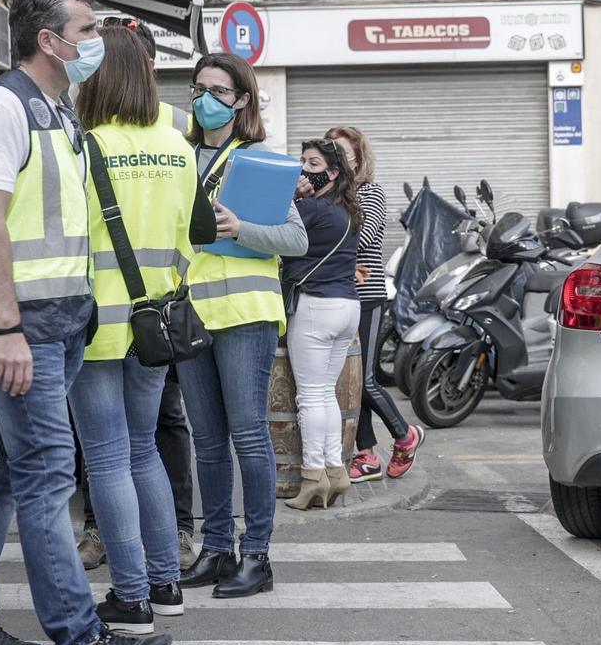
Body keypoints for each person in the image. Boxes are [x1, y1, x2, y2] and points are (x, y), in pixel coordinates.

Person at [0, 0, 170, 645]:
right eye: (88, 28)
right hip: (25, 327)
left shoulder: (58, 112)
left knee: (4, 473)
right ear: (49, 39)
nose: (96, 40)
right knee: (46, 478)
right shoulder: (2, 107)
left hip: (63, 322)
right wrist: (4, 326)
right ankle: (79, 641)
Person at [72, 26, 217, 634]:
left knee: (106, 459)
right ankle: (166, 583)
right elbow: (195, 235)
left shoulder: (87, 146)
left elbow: (71, 240)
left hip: (98, 324)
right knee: (142, 451)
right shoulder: (178, 144)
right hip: (157, 321)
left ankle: (130, 597)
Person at [176, 53, 308, 597]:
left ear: (243, 101)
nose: (206, 99)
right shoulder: (178, 157)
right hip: (190, 313)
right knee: (206, 441)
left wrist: (243, 227)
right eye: (199, 88)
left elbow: (296, 241)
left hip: (246, 315)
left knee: (249, 436)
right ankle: (216, 550)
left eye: (219, 91)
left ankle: (256, 555)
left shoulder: (259, 161)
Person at [328, 125, 425, 483]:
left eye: (344, 153)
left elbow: (360, 236)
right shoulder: (330, 196)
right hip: (337, 295)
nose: (337, 158)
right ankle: (366, 454)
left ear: (358, 158)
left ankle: (405, 435)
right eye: (331, 151)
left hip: (366, 297)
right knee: (349, 380)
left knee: (365, 379)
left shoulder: (369, 193)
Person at [285, 137, 362, 510]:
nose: (303, 170)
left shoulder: (311, 210)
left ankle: (313, 476)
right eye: (301, 162)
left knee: (311, 397)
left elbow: (275, 234)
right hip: (348, 307)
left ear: (332, 173)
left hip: (317, 307)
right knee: (326, 394)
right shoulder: (346, 209)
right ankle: (336, 471)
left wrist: (291, 197)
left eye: (312, 165)